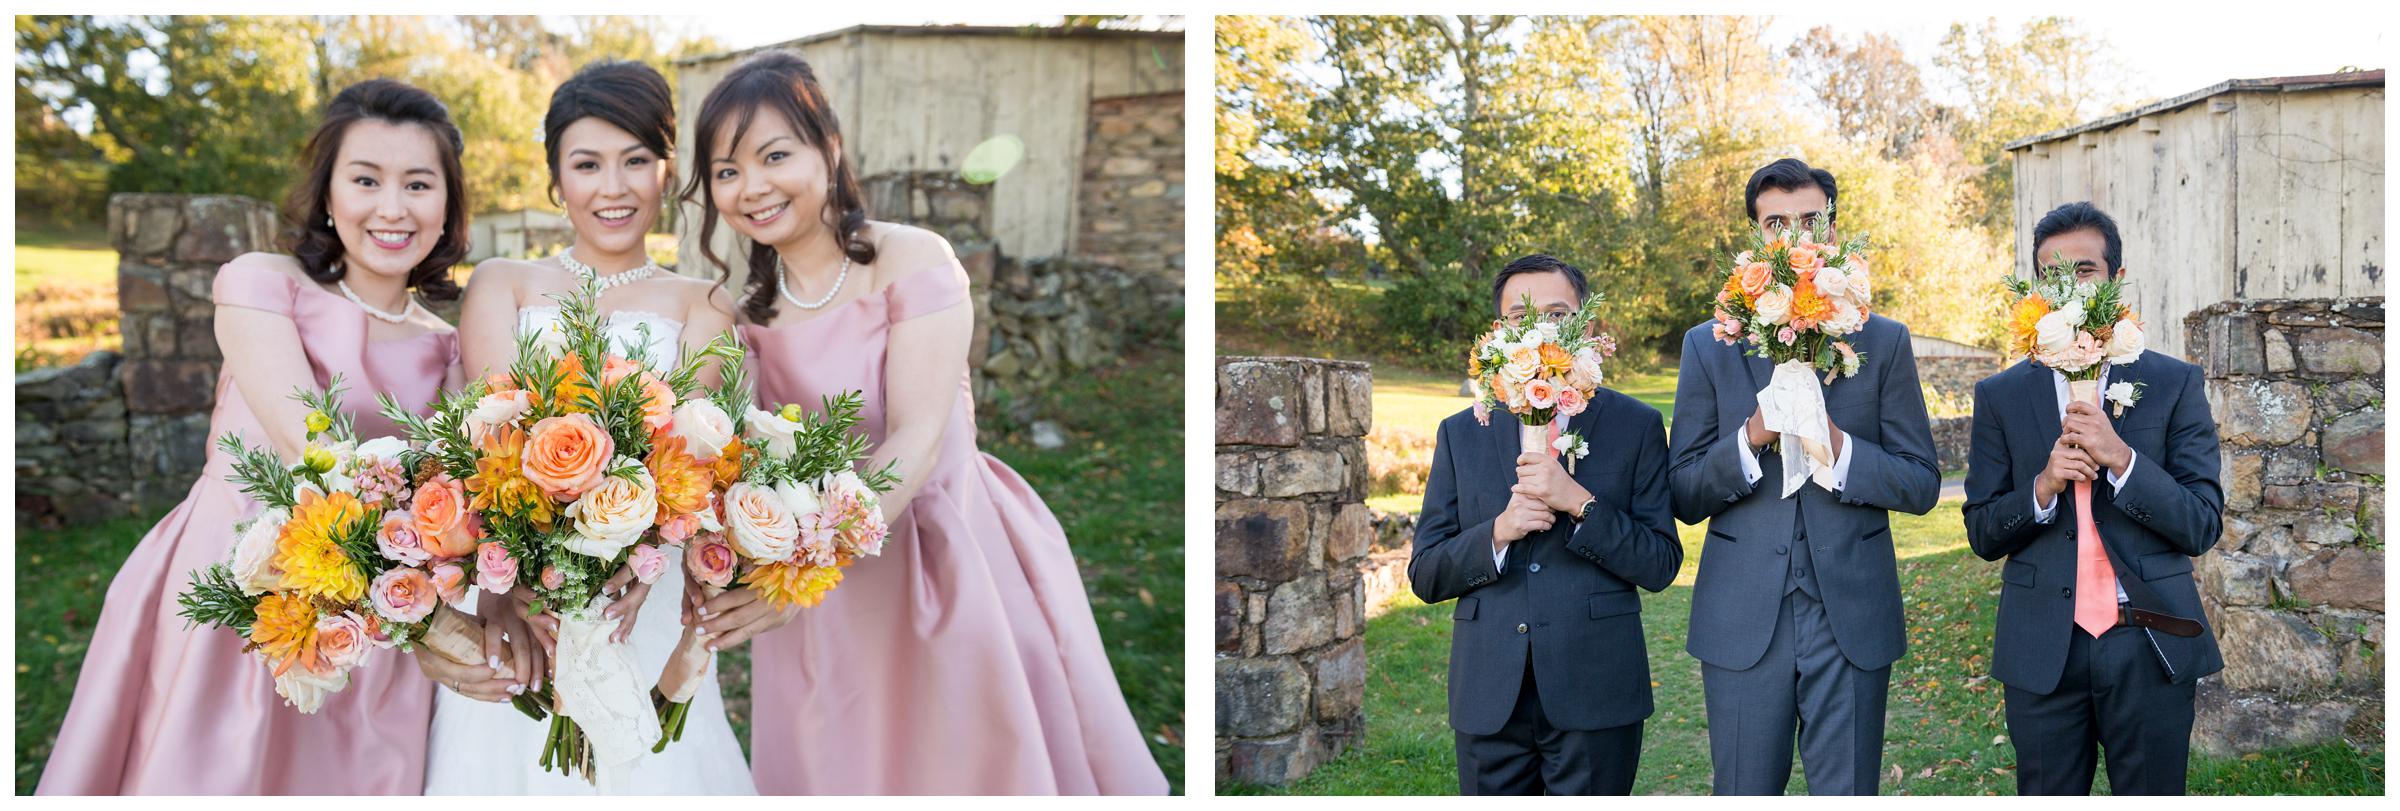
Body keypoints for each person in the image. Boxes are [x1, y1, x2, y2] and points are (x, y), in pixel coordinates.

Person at [678, 50, 1167, 794]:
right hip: (823, 599)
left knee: (967, 757)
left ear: (828, 148)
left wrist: (806, 565)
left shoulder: (912, 261)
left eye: (775, 155)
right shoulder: (743, 313)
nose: (753, 187)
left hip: (942, 549)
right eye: (727, 171)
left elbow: (915, 434)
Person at [38, 79, 470, 795]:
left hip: (371, 621)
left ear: (448, 205)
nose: (392, 208)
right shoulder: (264, 285)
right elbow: (313, 448)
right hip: (234, 577)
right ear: (329, 195)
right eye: (366, 179)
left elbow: (453, 501)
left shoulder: (449, 349)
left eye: (418, 184)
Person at [426, 59, 749, 794]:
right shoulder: (502, 281)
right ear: (556, 180)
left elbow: (691, 459)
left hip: (649, 595)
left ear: (668, 171)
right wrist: (511, 585)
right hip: (523, 598)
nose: (613, 187)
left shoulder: (707, 300)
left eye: (637, 160)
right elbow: (493, 442)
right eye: (587, 164)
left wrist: (636, 567)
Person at [1668, 157, 1939, 795]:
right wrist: (1752, 435)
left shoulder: (1885, 341)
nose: (1794, 236)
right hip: (1742, 617)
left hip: (1851, 614)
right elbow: (1681, 490)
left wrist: (1839, 447)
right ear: (1757, 241)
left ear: (1834, 231)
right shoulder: (1709, 345)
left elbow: (1922, 483)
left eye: (1810, 220)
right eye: (1776, 223)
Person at [1962, 202, 2223, 795]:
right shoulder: (2001, 395)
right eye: (2052, 273)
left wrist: (2124, 460)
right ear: (2036, 287)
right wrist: (2043, 487)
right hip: (2041, 647)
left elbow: (2202, 523)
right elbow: (1981, 530)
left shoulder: (2174, 383)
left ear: (2114, 280)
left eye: (2083, 269)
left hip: (2149, 638)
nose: (2068, 285)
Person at [1408, 254, 1681, 795]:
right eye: (1519, 317)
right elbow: (1425, 573)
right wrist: (1498, 532)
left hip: (1597, 688)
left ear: (1585, 325)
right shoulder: (1461, 432)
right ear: (1499, 333)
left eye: (1556, 314)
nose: (1537, 329)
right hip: (1489, 694)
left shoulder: (1636, 424)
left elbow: (1659, 563)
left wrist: (1582, 503)